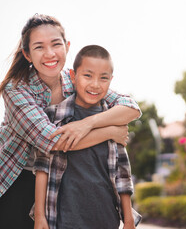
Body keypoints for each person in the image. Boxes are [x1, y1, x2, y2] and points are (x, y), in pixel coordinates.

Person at [0, 14, 141, 229]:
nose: (49, 54)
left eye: (56, 44)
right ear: (27, 55)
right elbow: (50, 141)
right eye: (39, 47)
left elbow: (130, 107)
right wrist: (110, 132)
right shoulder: (17, 88)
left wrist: (86, 124)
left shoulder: (76, 79)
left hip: (54, 180)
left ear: (66, 46)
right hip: (11, 181)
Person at [32, 45, 142, 229]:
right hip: (65, 219)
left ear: (110, 81)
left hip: (105, 218)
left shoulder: (113, 120)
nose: (95, 84)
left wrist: (129, 219)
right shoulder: (55, 116)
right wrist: (39, 216)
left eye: (103, 78)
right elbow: (42, 168)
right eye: (87, 75)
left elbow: (123, 174)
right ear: (73, 77)